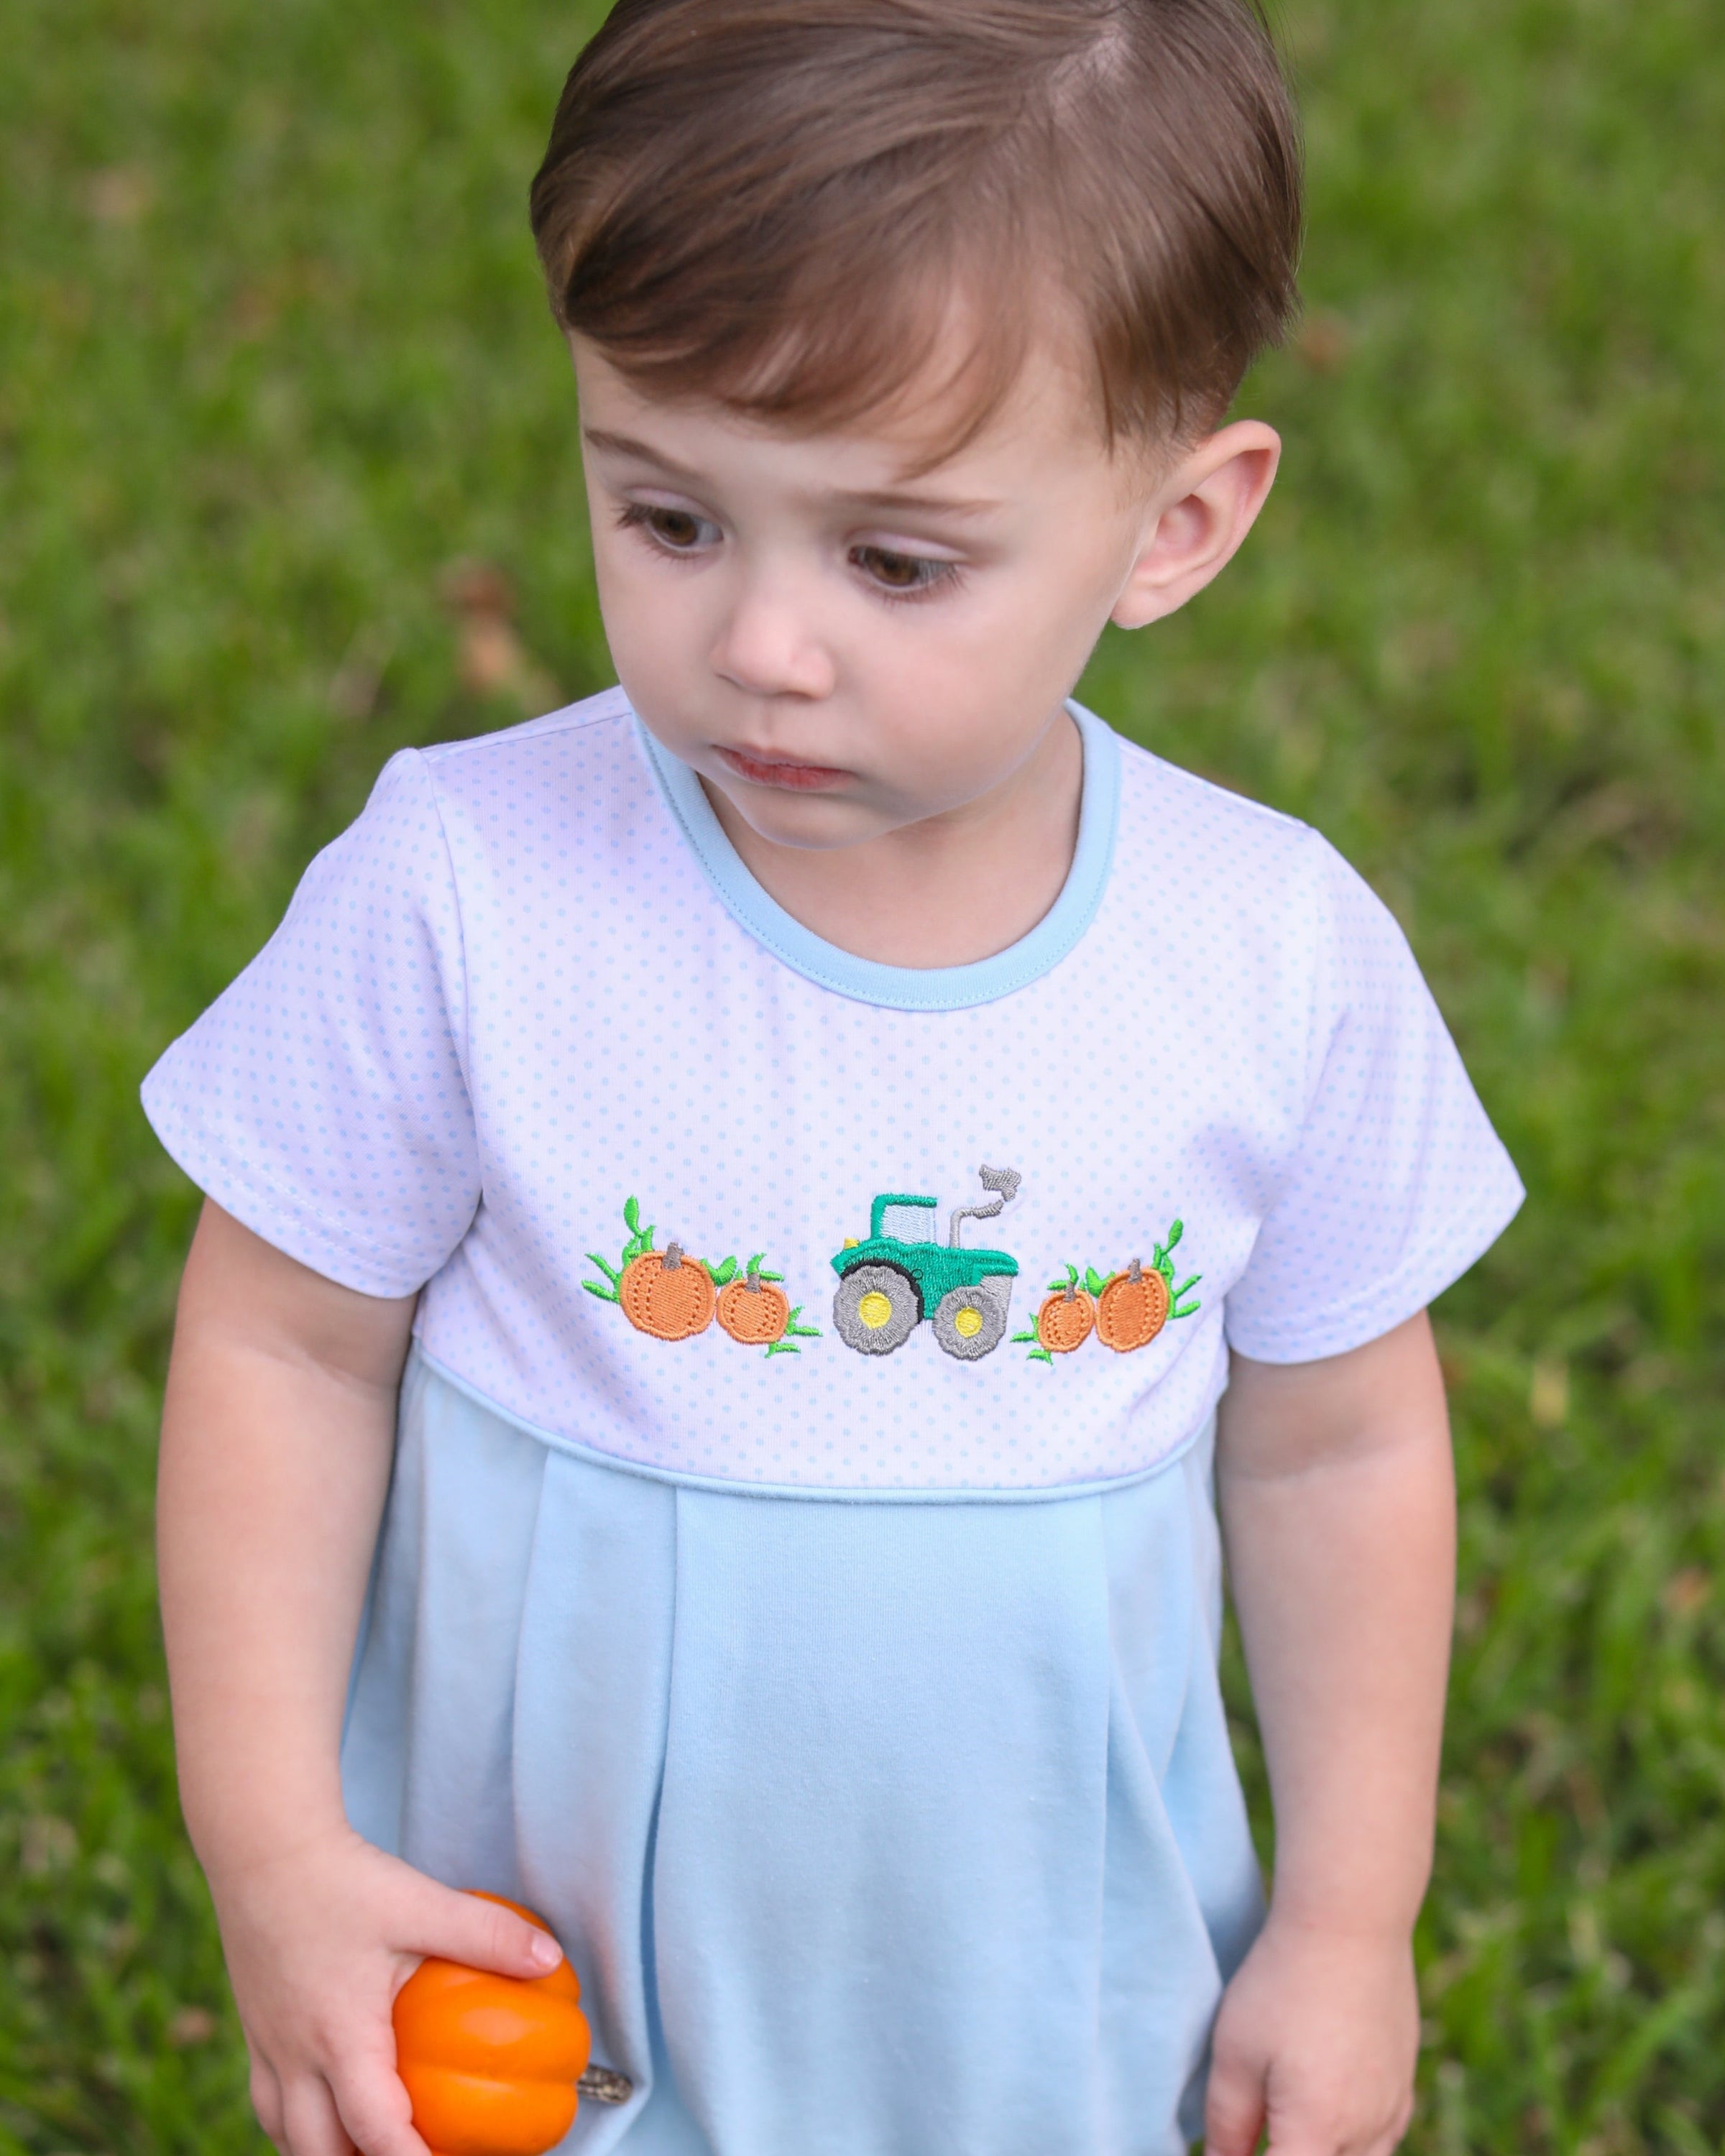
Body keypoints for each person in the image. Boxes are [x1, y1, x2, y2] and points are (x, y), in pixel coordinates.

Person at [145, 3, 1524, 2152]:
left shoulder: (1267, 953)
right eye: (670, 516)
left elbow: (1341, 1451)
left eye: (895, 560)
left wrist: (1352, 1922)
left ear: (1176, 525)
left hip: (1054, 2013)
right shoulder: (465, 890)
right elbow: (286, 1351)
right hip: (547, 2001)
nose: (763, 644)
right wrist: (275, 1855)